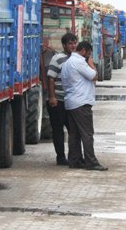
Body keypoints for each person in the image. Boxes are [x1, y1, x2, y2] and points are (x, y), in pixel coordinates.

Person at [61, 41, 108, 171]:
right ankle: (91, 162)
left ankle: (74, 160)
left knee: (74, 134)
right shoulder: (79, 62)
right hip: (81, 103)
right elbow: (94, 76)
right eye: (88, 54)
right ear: (84, 51)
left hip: (71, 102)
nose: (89, 56)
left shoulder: (67, 63)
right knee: (87, 134)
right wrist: (91, 63)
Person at [46, 32, 78, 166]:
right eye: (70, 43)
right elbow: (51, 79)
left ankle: (74, 156)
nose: (73, 45)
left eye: (74, 43)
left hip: (71, 101)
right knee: (58, 130)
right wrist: (52, 97)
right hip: (58, 101)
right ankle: (60, 157)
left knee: (73, 130)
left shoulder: (77, 58)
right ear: (64, 45)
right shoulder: (57, 58)